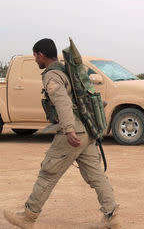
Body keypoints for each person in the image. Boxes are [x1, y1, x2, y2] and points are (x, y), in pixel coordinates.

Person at [3, 38, 120, 229]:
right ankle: (111, 215)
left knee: (48, 173)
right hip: (86, 129)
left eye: (35, 56)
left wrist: (68, 129)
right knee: (96, 175)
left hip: (74, 131)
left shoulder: (52, 76)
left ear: (41, 54)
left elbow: (62, 102)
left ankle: (28, 216)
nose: (35, 60)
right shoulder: (67, 71)